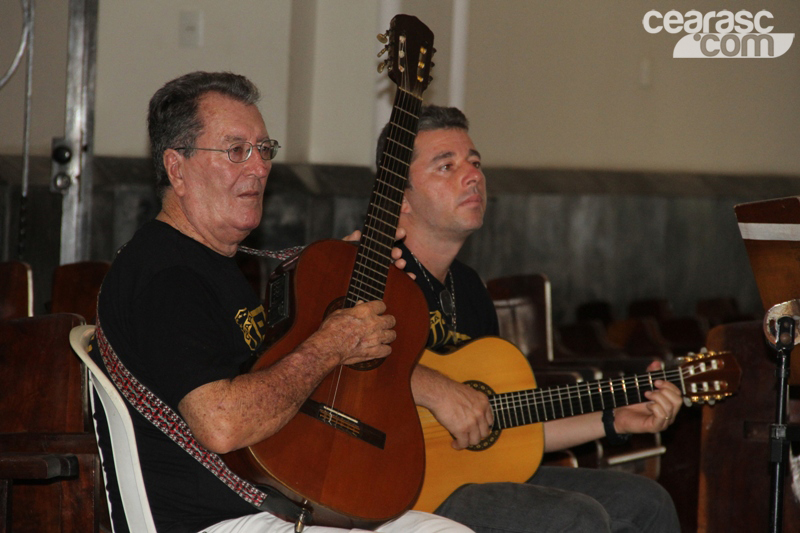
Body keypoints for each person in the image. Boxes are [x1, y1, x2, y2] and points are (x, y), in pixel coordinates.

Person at [91, 72, 475, 533]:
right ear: (178, 168)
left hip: (273, 503)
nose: (258, 167)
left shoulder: (211, 263)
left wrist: (341, 275)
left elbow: (273, 379)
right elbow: (223, 424)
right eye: (236, 151)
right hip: (218, 520)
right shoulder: (167, 275)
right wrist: (331, 344)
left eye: (263, 149)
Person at [378, 105, 683, 533]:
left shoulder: (468, 289)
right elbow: (336, 370)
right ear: (400, 196)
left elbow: (505, 423)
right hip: (395, 487)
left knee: (647, 501)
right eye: (446, 166)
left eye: (475, 162)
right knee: (578, 518)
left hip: (470, 475)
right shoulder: (372, 273)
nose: (472, 176)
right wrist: (435, 389)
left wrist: (614, 419)